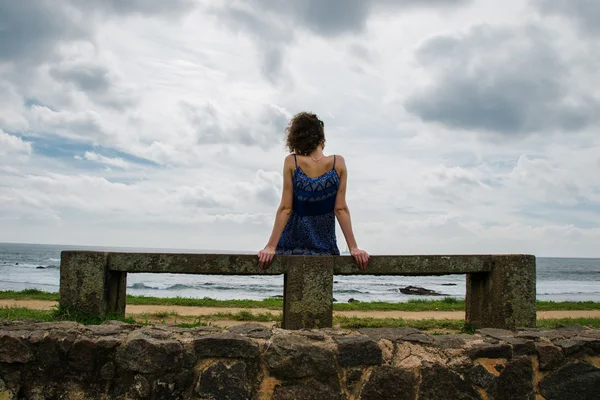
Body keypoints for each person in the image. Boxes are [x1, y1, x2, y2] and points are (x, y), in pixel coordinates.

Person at [257, 111, 369, 270]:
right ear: (321, 137)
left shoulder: (292, 161)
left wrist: (270, 247)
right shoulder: (338, 163)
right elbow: (340, 208)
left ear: (297, 137)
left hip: (292, 247)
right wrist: (354, 248)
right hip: (324, 247)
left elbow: (286, 208)